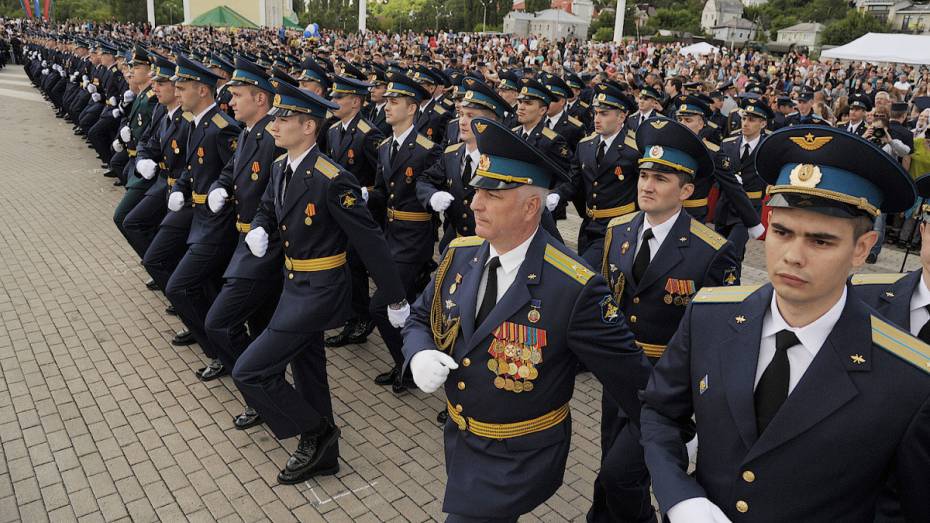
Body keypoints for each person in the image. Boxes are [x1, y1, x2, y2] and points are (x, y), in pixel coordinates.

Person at [640, 125, 930, 522]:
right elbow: (659, 412)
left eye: (820, 241)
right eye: (781, 231)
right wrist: (681, 498)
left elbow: (906, 505)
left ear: (862, 249)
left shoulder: (910, 374)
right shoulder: (710, 315)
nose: (793, 256)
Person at [401, 117, 651, 522]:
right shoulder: (460, 255)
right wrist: (419, 354)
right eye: (477, 190)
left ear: (531, 206)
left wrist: (675, 437)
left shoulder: (575, 287)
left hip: (519, 454)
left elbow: (632, 377)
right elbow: (418, 318)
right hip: (462, 441)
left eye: (493, 195)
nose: (475, 203)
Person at [232, 80, 408, 484]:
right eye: (274, 117)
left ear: (308, 127)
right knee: (308, 366)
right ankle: (324, 453)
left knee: (250, 371)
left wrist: (395, 297)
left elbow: (370, 242)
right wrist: (260, 227)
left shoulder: (333, 178)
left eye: (284, 118)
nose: (274, 125)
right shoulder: (280, 167)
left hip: (322, 289)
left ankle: (318, 433)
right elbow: (266, 206)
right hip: (292, 283)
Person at [591, 116, 741, 523]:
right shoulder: (619, 230)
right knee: (613, 467)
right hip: (619, 372)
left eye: (660, 178)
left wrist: (703, 410)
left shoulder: (712, 250)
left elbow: (721, 335)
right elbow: (608, 300)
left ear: (687, 190)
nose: (646, 185)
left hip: (667, 383)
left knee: (620, 473)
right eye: (643, 174)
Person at [202, 56, 285, 428]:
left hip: (264, 248)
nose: (230, 102)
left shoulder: (273, 137)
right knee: (258, 323)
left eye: (237, 96)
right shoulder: (249, 132)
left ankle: (258, 389)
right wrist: (220, 187)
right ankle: (264, 392)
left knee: (219, 322)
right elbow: (229, 171)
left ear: (260, 100)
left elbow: (280, 192)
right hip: (244, 239)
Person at [164, 55, 241, 379]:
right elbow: (193, 168)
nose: (176, 93)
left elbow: (238, 174)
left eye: (182, 88)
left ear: (203, 91)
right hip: (199, 218)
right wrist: (182, 186)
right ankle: (216, 348)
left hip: (217, 226)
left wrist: (221, 197)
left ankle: (220, 349)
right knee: (201, 287)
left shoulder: (223, 128)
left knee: (179, 286)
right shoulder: (197, 122)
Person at [367, 71, 442, 392]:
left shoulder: (426, 149)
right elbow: (385, 193)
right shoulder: (385, 147)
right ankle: (412, 363)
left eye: (394, 102)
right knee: (408, 306)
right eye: (387, 101)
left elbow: (431, 192)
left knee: (381, 307)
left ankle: (408, 365)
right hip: (391, 234)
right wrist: (367, 194)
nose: (387, 106)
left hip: (415, 239)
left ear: (412, 108)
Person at [322, 73, 386, 348]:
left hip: (361, 214)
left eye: (340, 97)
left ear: (356, 102)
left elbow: (381, 182)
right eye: (334, 96)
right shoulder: (335, 130)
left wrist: (368, 200)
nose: (334, 101)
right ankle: (350, 313)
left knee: (356, 269)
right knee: (346, 268)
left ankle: (361, 318)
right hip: (338, 213)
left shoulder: (369, 134)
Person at [549, 82, 640, 267]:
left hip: (619, 228)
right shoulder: (585, 146)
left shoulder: (634, 150)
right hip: (589, 226)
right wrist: (556, 194)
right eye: (596, 113)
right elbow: (574, 182)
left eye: (604, 114)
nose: (597, 119)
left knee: (586, 272)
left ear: (622, 116)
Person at [716, 99, 774, 263]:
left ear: (762, 124)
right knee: (718, 251)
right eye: (744, 118)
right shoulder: (728, 144)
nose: (746, 123)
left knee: (732, 251)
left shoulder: (767, 148)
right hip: (725, 206)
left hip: (747, 209)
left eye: (752, 120)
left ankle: (731, 285)